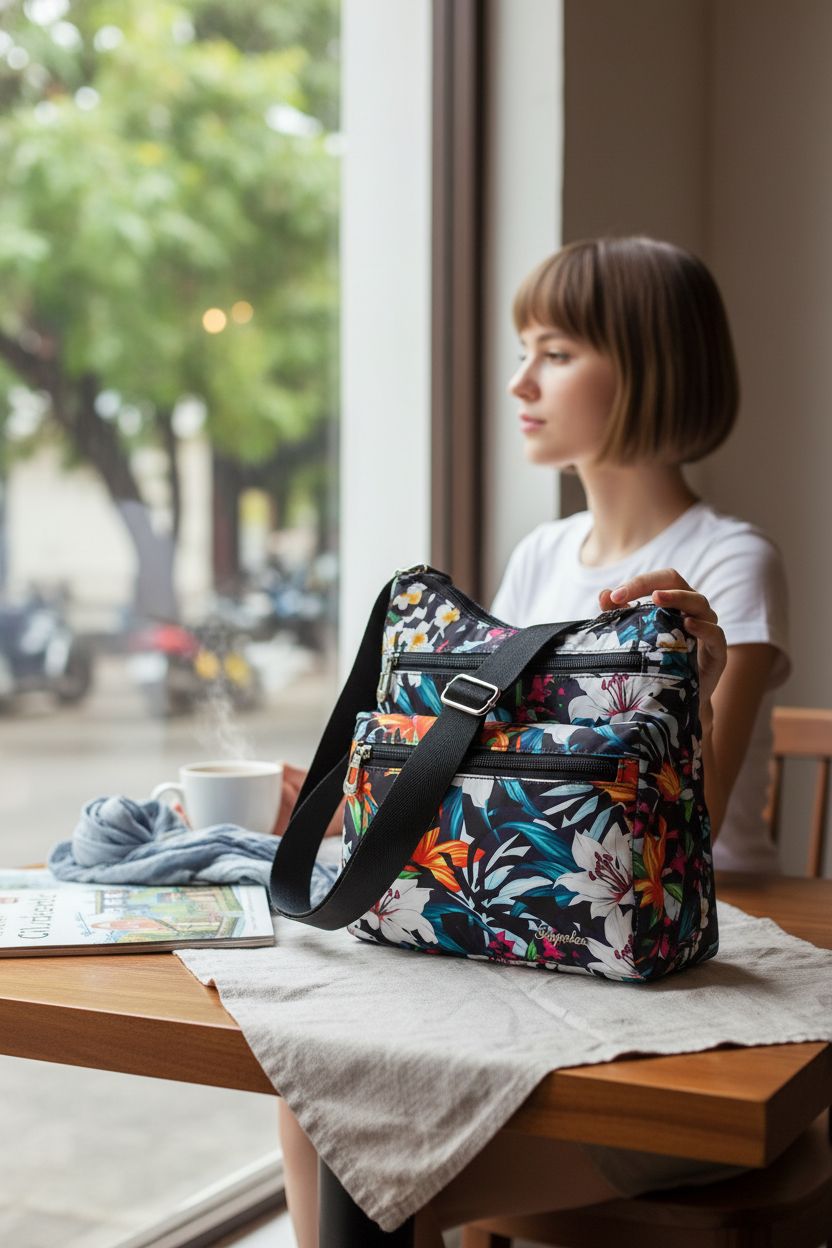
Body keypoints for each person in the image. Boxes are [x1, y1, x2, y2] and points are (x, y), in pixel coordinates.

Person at [274, 236, 791, 1247]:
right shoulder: (541, 556)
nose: (521, 381)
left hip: (670, 975)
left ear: (646, 366)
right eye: (525, 350)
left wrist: (711, 675)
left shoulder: (729, 564)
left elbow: (698, 814)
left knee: (353, 1138)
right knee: (318, 1092)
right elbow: (494, 774)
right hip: (529, 936)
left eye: (554, 353)